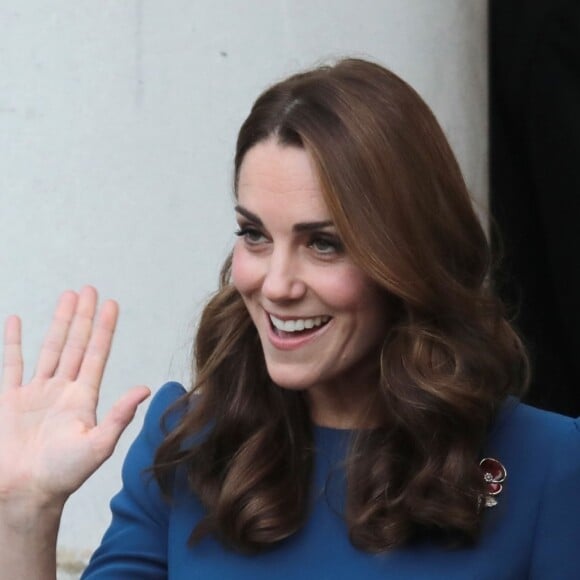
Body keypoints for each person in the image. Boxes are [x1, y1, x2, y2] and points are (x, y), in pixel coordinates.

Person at [1, 58, 579, 579]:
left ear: (407, 255)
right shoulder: (188, 443)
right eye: (254, 235)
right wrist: (24, 513)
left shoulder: (550, 464)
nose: (275, 285)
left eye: (323, 243)